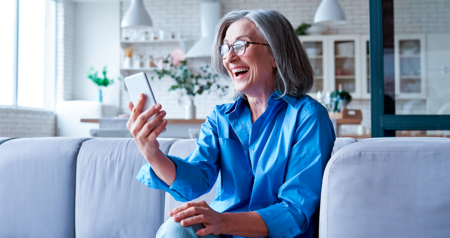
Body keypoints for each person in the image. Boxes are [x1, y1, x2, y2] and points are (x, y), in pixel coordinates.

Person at [126, 9, 336, 238]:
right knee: (175, 228)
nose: (228, 57)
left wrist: (223, 221)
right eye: (225, 48)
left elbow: (295, 211)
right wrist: (152, 152)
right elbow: (195, 181)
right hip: (223, 231)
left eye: (239, 45)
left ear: (276, 54)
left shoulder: (308, 117)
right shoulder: (221, 118)